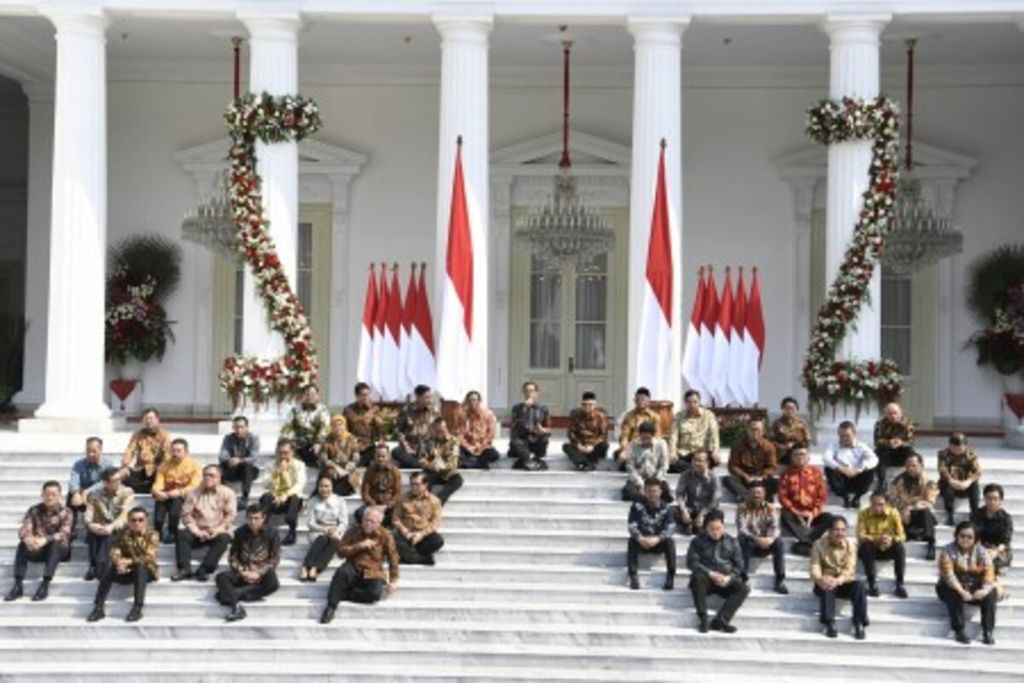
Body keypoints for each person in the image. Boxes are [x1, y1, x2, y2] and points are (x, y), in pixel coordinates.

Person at [320, 506, 400, 624]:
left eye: (372, 522)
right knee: (341, 573)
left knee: (375, 594)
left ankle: (344, 593)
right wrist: (359, 546)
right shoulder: (353, 531)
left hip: (373, 570)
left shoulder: (386, 535)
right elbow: (340, 552)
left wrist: (393, 580)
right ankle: (331, 607)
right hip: (353, 565)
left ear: (379, 523)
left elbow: (393, 557)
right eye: (366, 520)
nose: (368, 524)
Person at [86, 506, 159, 623]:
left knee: (141, 566)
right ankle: (99, 607)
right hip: (125, 570)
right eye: (133, 520)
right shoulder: (122, 533)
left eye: (140, 520)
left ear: (146, 521)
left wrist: (128, 562)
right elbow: (114, 549)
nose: (137, 523)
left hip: (146, 572)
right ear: (128, 521)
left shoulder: (152, 535)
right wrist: (118, 561)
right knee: (108, 566)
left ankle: (137, 607)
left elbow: (149, 557)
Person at [4, 481, 73, 602]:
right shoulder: (34, 510)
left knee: (55, 544)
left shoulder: (66, 512)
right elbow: (24, 529)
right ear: (42, 494)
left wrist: (45, 540)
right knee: (22, 544)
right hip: (39, 549)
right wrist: (28, 539)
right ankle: (18, 585)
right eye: (47, 494)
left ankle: (45, 584)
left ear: (59, 496)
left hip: (59, 550)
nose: (50, 497)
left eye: (53, 494)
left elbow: (64, 533)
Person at [685, 510, 750, 634]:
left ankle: (721, 620)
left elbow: (739, 565)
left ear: (723, 526)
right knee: (697, 577)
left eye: (718, 528)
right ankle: (703, 617)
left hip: (725, 580)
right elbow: (692, 562)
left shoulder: (732, 541)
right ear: (706, 528)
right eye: (712, 529)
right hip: (706, 580)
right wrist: (710, 573)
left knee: (743, 588)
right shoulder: (697, 541)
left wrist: (728, 578)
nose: (715, 532)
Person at [215, 505, 282, 622]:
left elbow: (275, 558)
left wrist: (259, 573)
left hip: (261, 572)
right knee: (220, 577)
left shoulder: (272, 533)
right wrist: (242, 571)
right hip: (243, 571)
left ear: (263, 518)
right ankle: (236, 607)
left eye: (256, 518)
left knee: (273, 583)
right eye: (250, 518)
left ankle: (233, 594)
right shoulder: (240, 532)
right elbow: (233, 556)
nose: (253, 521)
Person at [936, 521, 997, 645]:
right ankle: (959, 630)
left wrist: (984, 590)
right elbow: (949, 576)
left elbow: (989, 571)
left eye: (969, 537)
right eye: (962, 535)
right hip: (952, 586)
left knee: (991, 593)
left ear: (975, 539)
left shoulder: (981, 551)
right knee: (950, 590)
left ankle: (987, 630)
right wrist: (961, 591)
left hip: (973, 586)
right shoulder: (947, 550)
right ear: (956, 535)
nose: (965, 539)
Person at [172, 465, 237, 582]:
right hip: (198, 530)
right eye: (205, 475)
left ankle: (204, 569)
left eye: (211, 475)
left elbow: (230, 515)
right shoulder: (193, 493)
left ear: (219, 478)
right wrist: (197, 531)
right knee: (182, 535)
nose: (207, 478)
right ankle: (184, 569)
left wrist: (217, 530)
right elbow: (186, 514)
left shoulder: (228, 493)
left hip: (217, 531)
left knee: (224, 538)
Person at [810, 516, 868, 640]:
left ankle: (859, 622)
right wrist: (820, 579)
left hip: (842, 582)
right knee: (827, 584)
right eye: (836, 530)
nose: (840, 533)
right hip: (824, 582)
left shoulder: (851, 545)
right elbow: (815, 567)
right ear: (829, 531)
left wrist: (837, 580)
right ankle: (829, 622)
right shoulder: (818, 544)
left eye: (843, 530)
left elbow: (850, 570)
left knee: (859, 585)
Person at [777, 446, 833, 555]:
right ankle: (810, 543)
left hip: (812, 513)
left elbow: (822, 496)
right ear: (792, 457)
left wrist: (813, 513)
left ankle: (804, 543)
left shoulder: (816, 473)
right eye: (796, 455)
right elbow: (782, 496)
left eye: (802, 454)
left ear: (808, 457)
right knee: (784, 515)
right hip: (794, 513)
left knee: (830, 518)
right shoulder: (786, 474)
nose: (800, 457)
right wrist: (797, 512)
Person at [736, 481, 788, 594]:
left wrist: (770, 539)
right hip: (750, 543)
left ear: (764, 494)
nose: (756, 495)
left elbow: (776, 527)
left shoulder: (770, 507)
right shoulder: (742, 507)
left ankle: (780, 580)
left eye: (759, 492)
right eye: (753, 492)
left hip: (766, 543)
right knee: (741, 538)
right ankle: (743, 577)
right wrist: (756, 539)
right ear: (748, 494)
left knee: (779, 542)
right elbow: (742, 528)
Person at [83, 467, 134, 581]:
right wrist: (90, 524)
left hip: (119, 528)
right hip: (101, 526)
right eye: (115, 480)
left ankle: (99, 565)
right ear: (105, 482)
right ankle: (94, 566)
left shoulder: (127, 492)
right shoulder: (95, 494)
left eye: (119, 479)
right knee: (93, 532)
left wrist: (112, 526)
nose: (118, 482)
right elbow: (89, 512)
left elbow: (125, 515)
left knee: (108, 535)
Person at [626, 479, 676, 591]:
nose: (651, 494)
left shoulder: (666, 507)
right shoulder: (636, 506)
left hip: (658, 542)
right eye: (648, 491)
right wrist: (640, 538)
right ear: (644, 491)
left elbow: (671, 527)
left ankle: (670, 576)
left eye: (654, 491)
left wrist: (658, 538)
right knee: (631, 541)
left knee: (670, 542)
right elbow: (631, 525)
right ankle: (633, 575)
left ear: (660, 492)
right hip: (642, 541)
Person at [856, 492, 908, 599]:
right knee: (866, 546)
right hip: (871, 549)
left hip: (888, 547)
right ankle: (872, 583)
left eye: (881, 504)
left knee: (900, 547)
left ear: (886, 504)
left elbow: (902, 535)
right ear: (870, 503)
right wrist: (876, 539)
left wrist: (892, 539)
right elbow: (861, 536)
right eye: (874, 504)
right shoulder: (863, 514)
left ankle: (900, 583)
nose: (877, 507)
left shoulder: (893, 513)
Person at [888, 453, 939, 561]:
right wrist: (902, 509)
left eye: (914, 465)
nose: (910, 468)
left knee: (926, 512)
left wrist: (911, 508)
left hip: (918, 514)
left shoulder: (929, 482)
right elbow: (892, 501)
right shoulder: (897, 481)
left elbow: (930, 502)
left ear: (921, 465)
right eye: (908, 465)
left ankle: (931, 544)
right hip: (902, 514)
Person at [151, 438, 202, 544]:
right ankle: (158, 532)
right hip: (166, 493)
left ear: (186, 452)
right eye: (173, 450)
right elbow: (158, 482)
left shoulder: (195, 465)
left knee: (175, 508)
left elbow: (195, 485)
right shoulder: (164, 465)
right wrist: (157, 492)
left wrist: (180, 492)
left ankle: (172, 532)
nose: (175, 453)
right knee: (158, 515)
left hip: (184, 495)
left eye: (179, 451)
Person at [301, 476, 349, 582]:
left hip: (335, 529)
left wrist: (335, 531)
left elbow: (344, 522)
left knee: (334, 541)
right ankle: (305, 567)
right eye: (321, 486)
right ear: (318, 487)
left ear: (332, 487)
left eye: (327, 486)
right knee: (322, 539)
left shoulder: (340, 501)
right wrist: (324, 529)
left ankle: (315, 568)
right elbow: (310, 522)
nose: (324, 489)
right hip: (317, 530)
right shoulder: (313, 501)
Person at [259, 438, 307, 546]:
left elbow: (300, 484)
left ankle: (292, 532)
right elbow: (265, 484)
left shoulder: (299, 465)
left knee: (295, 498)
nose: (283, 456)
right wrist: (277, 472)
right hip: (274, 497)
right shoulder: (270, 465)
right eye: (280, 453)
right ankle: (261, 530)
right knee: (266, 497)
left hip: (290, 498)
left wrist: (286, 494)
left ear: (292, 452)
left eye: (286, 453)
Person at [391, 472, 445, 565]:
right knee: (392, 536)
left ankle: (409, 556)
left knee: (438, 541)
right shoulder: (402, 498)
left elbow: (435, 523)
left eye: (417, 484)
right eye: (412, 484)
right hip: (405, 534)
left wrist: (421, 534)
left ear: (425, 485)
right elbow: (395, 519)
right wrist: (405, 532)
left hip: (422, 535)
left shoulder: (434, 501)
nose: (414, 487)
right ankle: (421, 559)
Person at [822, 421, 877, 509]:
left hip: (857, 476)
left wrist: (860, 469)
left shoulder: (862, 446)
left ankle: (857, 498)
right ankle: (845, 497)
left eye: (847, 436)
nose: (844, 438)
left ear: (854, 434)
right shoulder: (833, 446)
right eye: (841, 436)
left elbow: (874, 459)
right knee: (828, 468)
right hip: (842, 479)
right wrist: (842, 468)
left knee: (871, 469)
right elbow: (826, 458)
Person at [119, 408, 171, 494]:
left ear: (157, 420)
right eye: (146, 419)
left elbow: (167, 455)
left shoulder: (164, 436)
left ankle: (147, 488)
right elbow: (130, 451)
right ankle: (145, 488)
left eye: (151, 418)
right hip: (140, 469)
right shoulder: (137, 435)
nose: (148, 421)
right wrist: (125, 466)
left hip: (157, 470)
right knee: (121, 476)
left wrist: (162, 469)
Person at [723, 420, 778, 502]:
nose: (755, 432)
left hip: (761, 478)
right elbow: (732, 466)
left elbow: (772, 467)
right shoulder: (738, 444)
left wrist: (762, 476)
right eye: (752, 429)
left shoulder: (769, 446)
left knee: (777, 482)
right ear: (747, 430)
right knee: (728, 479)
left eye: (758, 430)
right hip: (744, 479)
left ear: (763, 432)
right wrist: (745, 476)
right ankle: (747, 496)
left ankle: (760, 495)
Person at [668, 390, 721, 472]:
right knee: (672, 462)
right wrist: (672, 452)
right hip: (684, 453)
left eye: (695, 402)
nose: (692, 404)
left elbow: (714, 435)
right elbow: (673, 436)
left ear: (699, 401)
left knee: (714, 459)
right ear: (685, 403)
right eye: (689, 402)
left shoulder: (708, 415)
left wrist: (715, 451)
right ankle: (699, 469)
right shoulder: (679, 416)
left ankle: (694, 468)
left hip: (702, 453)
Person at [67, 437, 113, 529]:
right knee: (71, 498)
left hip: (99, 495)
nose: (90, 454)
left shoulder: (108, 464)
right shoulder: (78, 464)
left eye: (94, 451)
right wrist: (76, 493)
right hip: (82, 495)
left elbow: (105, 483)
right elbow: (74, 479)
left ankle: (95, 527)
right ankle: (70, 529)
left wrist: (87, 491)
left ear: (100, 450)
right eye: (88, 451)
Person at [281, 385, 331, 468]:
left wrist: (318, 442)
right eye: (307, 394)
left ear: (317, 396)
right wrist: (286, 440)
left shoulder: (323, 410)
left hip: (316, 443)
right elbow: (287, 427)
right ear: (303, 396)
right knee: (285, 448)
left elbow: (325, 428)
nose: (309, 397)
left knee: (323, 451)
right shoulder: (295, 410)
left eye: (312, 394)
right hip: (298, 442)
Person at [937, 432, 982, 526]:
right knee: (946, 485)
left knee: (975, 484)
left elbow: (977, 471)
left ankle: (974, 513)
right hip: (949, 483)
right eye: (954, 448)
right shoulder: (943, 454)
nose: (957, 451)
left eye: (960, 448)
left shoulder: (970, 454)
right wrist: (951, 481)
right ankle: (950, 514)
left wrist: (968, 482)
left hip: (965, 484)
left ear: (965, 446)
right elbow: (942, 470)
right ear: (950, 446)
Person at [971, 484, 1013, 581]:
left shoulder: (1006, 518)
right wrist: (983, 551)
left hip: (999, 549)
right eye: (989, 498)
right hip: (980, 547)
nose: (992, 502)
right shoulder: (976, 515)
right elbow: (973, 535)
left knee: (995, 562)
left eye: (995, 499)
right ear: (984, 499)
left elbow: (1006, 540)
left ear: (1001, 501)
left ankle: (994, 582)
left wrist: (995, 551)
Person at [621, 421, 671, 503]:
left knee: (665, 491)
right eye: (643, 438)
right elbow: (630, 467)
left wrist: (656, 482)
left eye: (648, 438)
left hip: (655, 477)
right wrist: (640, 483)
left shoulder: (661, 444)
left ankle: (650, 497)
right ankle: (647, 498)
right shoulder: (633, 444)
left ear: (653, 435)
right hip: (639, 477)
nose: (645, 440)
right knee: (627, 492)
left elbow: (664, 466)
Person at [393, 385, 440, 469]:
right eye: (426, 397)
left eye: (430, 397)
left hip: (428, 449)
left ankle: (421, 464)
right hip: (411, 449)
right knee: (396, 452)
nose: (429, 400)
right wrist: (406, 447)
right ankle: (422, 465)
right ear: (418, 397)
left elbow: (439, 430)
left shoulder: (434, 411)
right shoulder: (407, 411)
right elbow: (398, 431)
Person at [507, 381, 551, 471]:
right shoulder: (517, 408)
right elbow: (515, 426)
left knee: (544, 439)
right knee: (515, 439)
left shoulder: (543, 409)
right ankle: (530, 461)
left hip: (535, 440)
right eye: (526, 391)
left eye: (531, 391)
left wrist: (543, 430)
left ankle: (527, 461)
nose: (529, 394)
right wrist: (524, 409)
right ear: (523, 393)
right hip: (522, 441)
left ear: (536, 393)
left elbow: (549, 429)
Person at [419, 418, 464, 505]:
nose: (439, 433)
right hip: (432, 471)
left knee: (458, 480)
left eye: (442, 430)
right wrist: (430, 466)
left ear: (446, 428)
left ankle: (438, 502)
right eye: (437, 430)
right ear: (433, 429)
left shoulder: (453, 441)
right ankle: (423, 502)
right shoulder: (427, 441)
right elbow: (422, 460)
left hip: (446, 472)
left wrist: (443, 467)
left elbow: (454, 461)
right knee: (424, 479)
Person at [615, 387, 663, 469]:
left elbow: (657, 437)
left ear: (648, 401)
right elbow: (624, 436)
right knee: (618, 455)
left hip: (648, 447)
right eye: (638, 399)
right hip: (632, 448)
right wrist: (625, 449)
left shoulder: (655, 417)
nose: (640, 402)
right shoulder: (629, 416)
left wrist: (648, 448)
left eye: (643, 399)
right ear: (635, 400)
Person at [873, 402, 917, 491]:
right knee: (878, 452)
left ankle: (914, 480)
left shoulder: (908, 423)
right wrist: (889, 442)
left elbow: (912, 441)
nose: (893, 416)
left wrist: (901, 443)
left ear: (900, 413)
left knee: (912, 454)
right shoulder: (880, 424)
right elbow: (877, 441)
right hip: (887, 453)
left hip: (901, 453)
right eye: (890, 414)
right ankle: (882, 482)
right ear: (885, 414)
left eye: (895, 413)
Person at [674, 450, 720, 535]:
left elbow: (715, 500)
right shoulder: (685, 475)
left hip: (706, 509)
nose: (696, 463)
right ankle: (689, 525)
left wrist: (703, 514)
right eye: (694, 460)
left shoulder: (714, 478)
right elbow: (679, 495)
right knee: (672, 511)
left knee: (718, 514)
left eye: (699, 461)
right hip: (690, 508)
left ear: (707, 463)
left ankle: (698, 527)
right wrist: (684, 511)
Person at [218, 415, 260, 507]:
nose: (238, 430)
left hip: (249, 469)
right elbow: (222, 455)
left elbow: (254, 457)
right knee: (218, 468)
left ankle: (244, 498)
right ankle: (219, 496)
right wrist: (229, 460)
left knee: (247, 467)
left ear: (247, 427)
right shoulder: (228, 438)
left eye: (241, 427)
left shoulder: (254, 438)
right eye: (236, 427)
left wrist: (240, 460)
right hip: (233, 467)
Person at [562, 391, 609, 471]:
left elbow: (603, 435)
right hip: (581, 445)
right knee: (566, 446)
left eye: (590, 405)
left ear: (595, 405)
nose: (587, 407)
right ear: (581, 405)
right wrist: (578, 445)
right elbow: (571, 433)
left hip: (594, 446)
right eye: (585, 405)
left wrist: (592, 445)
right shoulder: (576, 415)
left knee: (604, 445)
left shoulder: (601, 416)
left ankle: (585, 463)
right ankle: (585, 463)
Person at [455, 390, 500, 470]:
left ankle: (472, 463)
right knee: (456, 453)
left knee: (494, 455)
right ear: (467, 401)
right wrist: (469, 447)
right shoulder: (462, 416)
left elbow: (491, 434)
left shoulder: (488, 414)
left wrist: (481, 446)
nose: (472, 402)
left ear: (479, 401)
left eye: (474, 400)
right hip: (468, 447)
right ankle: (479, 463)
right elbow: (460, 435)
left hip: (482, 446)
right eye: (470, 400)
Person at [318, 413, 361, 497]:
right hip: (332, 467)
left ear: (345, 426)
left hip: (348, 467)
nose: (338, 428)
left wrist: (347, 468)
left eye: (340, 425)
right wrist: (336, 468)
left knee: (351, 477)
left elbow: (356, 457)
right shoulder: (327, 439)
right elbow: (323, 458)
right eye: (335, 425)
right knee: (329, 474)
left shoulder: (351, 438)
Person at [345, 382, 386, 467]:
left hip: (369, 445)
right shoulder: (349, 409)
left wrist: (376, 416)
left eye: (368, 395)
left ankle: (360, 464)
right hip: (353, 444)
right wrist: (370, 412)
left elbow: (382, 426)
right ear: (357, 395)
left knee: (378, 453)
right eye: (363, 395)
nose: (366, 398)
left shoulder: (373, 409)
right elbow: (357, 420)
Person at [360, 443, 402, 523]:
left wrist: (386, 506)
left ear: (388, 457)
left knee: (395, 514)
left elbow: (397, 493)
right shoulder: (369, 471)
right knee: (359, 513)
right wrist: (373, 505)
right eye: (378, 456)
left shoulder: (395, 471)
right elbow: (365, 492)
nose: (380, 459)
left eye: (383, 456)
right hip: (373, 503)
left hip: (388, 506)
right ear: (374, 457)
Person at [768, 397, 810, 466]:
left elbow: (807, 440)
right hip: (783, 454)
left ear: (796, 409)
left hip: (798, 453)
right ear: (783, 409)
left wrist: (797, 446)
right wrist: (782, 446)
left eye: (792, 408)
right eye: (787, 408)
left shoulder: (801, 423)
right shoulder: (776, 424)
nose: (790, 411)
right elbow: (770, 441)